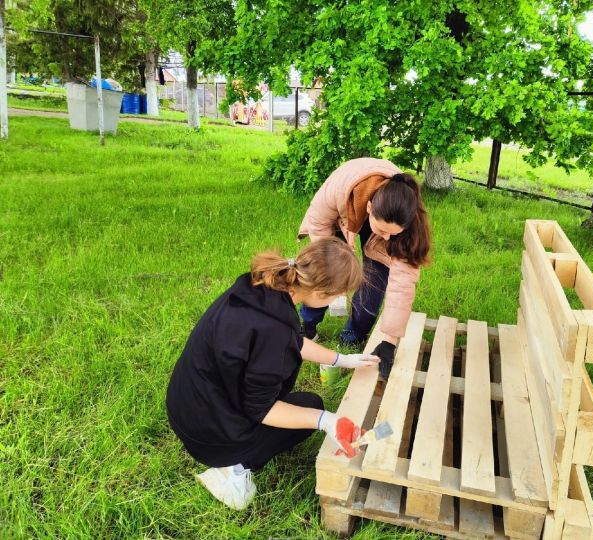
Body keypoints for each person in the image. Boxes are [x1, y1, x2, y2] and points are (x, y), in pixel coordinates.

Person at [166, 237, 379, 510]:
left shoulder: (263, 286)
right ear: (321, 292)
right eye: (339, 294)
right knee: (312, 407)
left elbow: (294, 341)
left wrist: (342, 359)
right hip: (210, 436)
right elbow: (261, 409)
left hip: (186, 408)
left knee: (305, 407)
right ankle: (231, 469)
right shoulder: (273, 331)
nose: (340, 300)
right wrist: (326, 421)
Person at [298, 158, 431, 378]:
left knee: (374, 284)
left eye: (393, 234)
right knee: (323, 277)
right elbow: (318, 224)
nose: (388, 238)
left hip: (381, 216)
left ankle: (351, 339)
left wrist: (390, 340)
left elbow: (402, 285)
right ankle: (308, 327)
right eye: (383, 230)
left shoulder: (406, 222)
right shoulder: (337, 190)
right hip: (340, 215)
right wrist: (333, 270)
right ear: (369, 207)